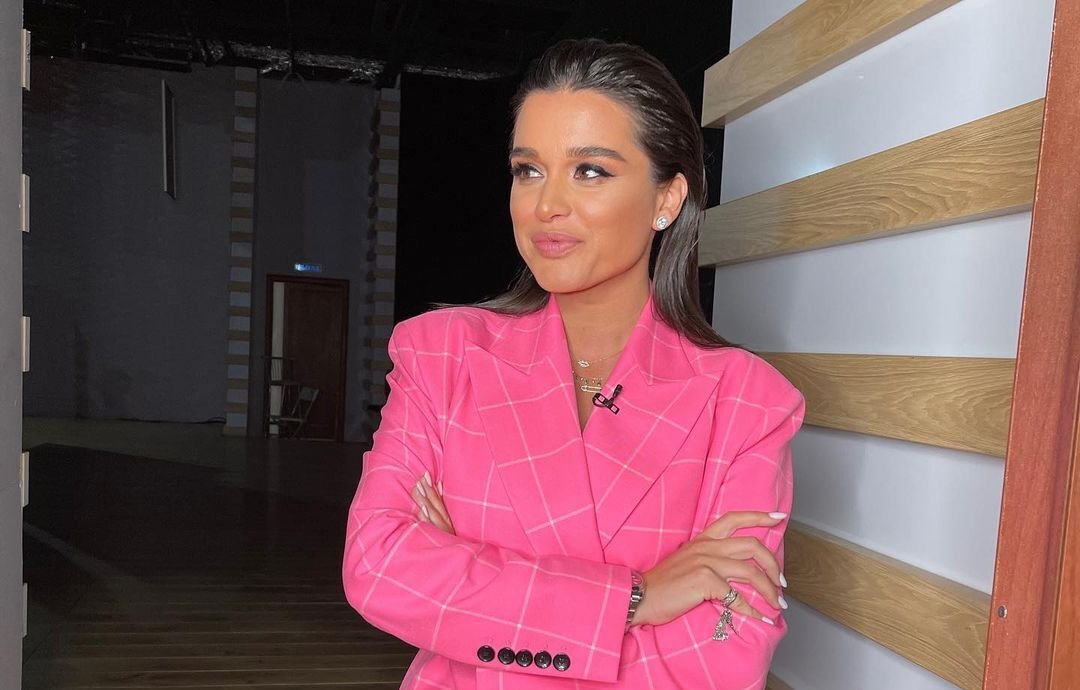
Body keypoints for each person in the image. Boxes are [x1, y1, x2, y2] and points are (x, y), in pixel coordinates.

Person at [343, 38, 805, 689]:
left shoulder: (748, 402)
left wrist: (470, 592)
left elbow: (727, 651)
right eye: (528, 170)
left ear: (668, 199)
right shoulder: (441, 355)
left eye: (589, 170)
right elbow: (380, 567)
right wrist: (636, 598)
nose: (546, 205)